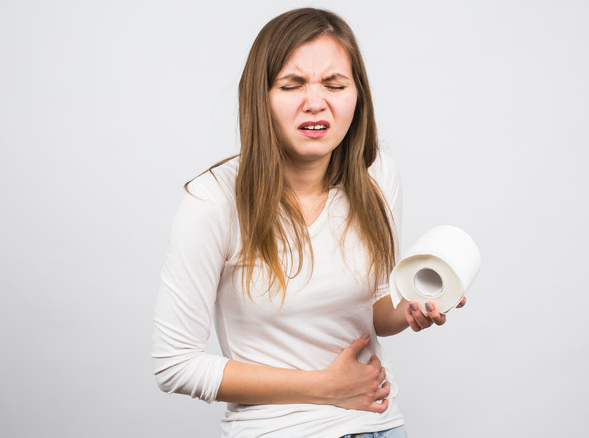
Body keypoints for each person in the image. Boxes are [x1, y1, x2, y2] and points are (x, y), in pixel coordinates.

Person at [152, 8, 465, 438]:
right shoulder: (213, 200)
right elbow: (175, 364)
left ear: (358, 95)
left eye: (335, 84)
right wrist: (323, 388)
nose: (315, 101)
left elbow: (375, 309)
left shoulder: (377, 175)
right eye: (292, 84)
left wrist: (410, 308)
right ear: (260, 96)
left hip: (380, 426)